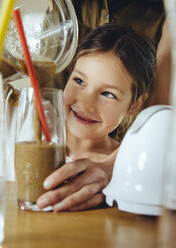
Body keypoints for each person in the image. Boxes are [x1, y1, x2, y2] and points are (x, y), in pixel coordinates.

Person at [36, 22, 156, 211]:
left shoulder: (134, 165)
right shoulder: (27, 121)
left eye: (108, 94)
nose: (86, 103)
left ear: (135, 104)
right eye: (79, 81)